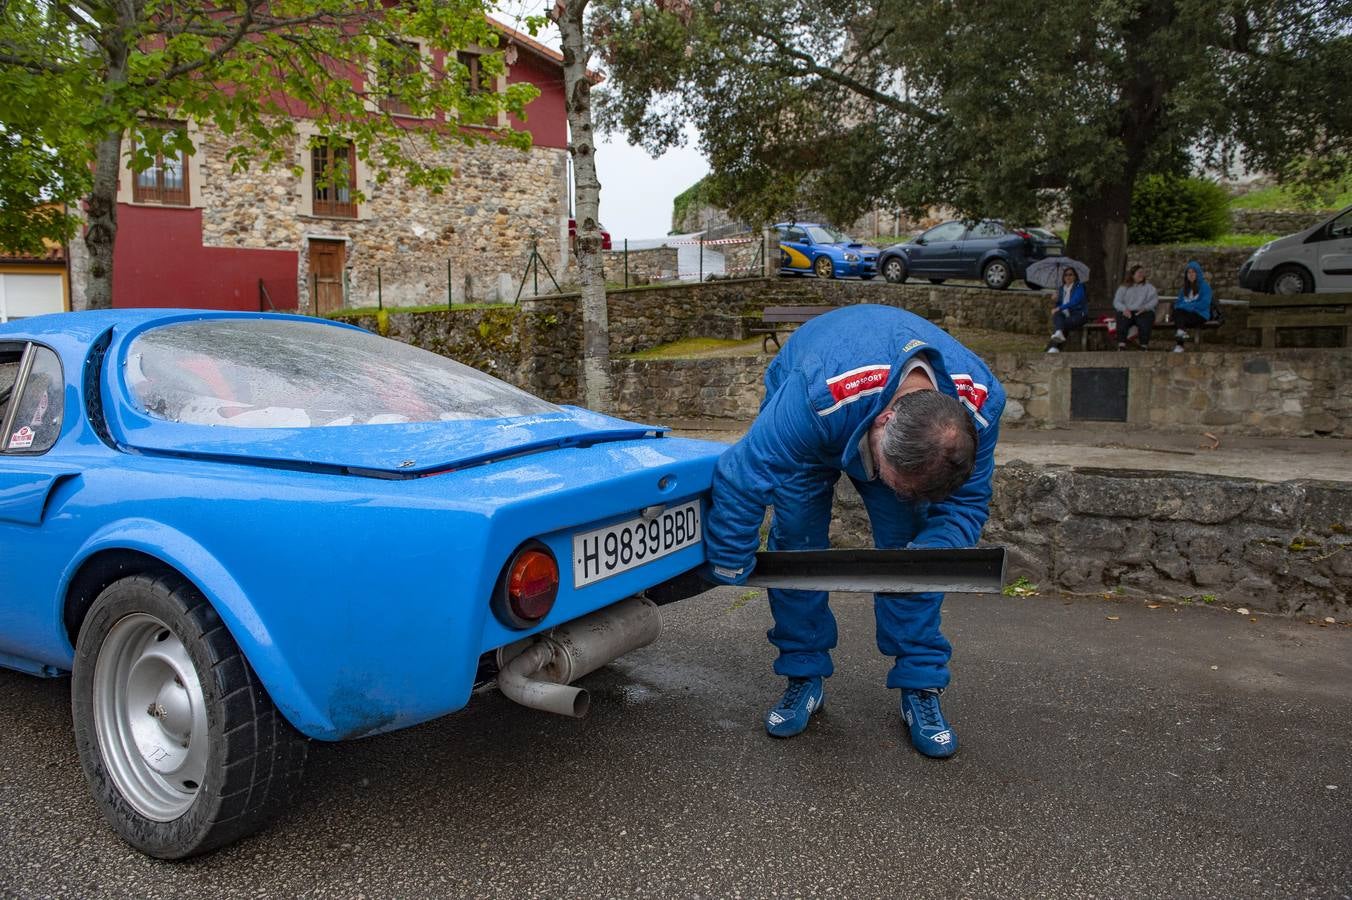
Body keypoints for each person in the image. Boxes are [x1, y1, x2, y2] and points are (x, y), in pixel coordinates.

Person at [701, 304, 1004, 759]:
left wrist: (932, 556)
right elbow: (744, 475)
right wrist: (730, 557)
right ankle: (803, 674)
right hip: (820, 417)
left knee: (913, 559)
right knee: (796, 543)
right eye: (892, 480)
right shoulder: (815, 393)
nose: (895, 493)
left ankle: (921, 684)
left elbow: (968, 503)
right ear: (882, 425)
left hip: (879, 418)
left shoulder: (981, 405)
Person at [1113, 265, 1159, 350]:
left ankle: (1143, 346)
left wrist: (1145, 308)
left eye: (1143, 272)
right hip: (1128, 311)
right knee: (1122, 318)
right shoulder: (1124, 287)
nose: (1142, 274)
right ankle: (1121, 345)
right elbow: (1117, 302)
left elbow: (1154, 300)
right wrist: (1124, 309)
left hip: (1143, 311)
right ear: (1133, 275)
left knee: (1146, 319)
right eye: (1140, 272)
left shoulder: (1149, 288)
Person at [1171, 260, 1212, 353]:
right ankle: (1181, 334)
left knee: (1179, 313)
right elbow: (1177, 303)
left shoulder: (1205, 287)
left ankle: (1179, 344)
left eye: (1193, 272)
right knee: (1177, 312)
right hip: (1185, 316)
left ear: (1198, 273)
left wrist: (1187, 306)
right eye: (1189, 272)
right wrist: (1185, 306)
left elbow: (1204, 304)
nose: (1191, 274)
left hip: (1200, 314)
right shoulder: (1184, 289)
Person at [1046, 267, 1088, 353]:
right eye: (1066, 275)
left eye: (1070, 274)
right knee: (1058, 316)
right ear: (1063, 277)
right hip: (1065, 316)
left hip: (1078, 315)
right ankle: (1055, 345)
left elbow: (1075, 301)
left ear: (1075, 276)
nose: (1068, 277)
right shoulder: (1061, 289)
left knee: (1061, 325)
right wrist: (1056, 300)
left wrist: (1060, 307)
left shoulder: (1079, 287)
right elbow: (1059, 306)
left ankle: (1053, 348)